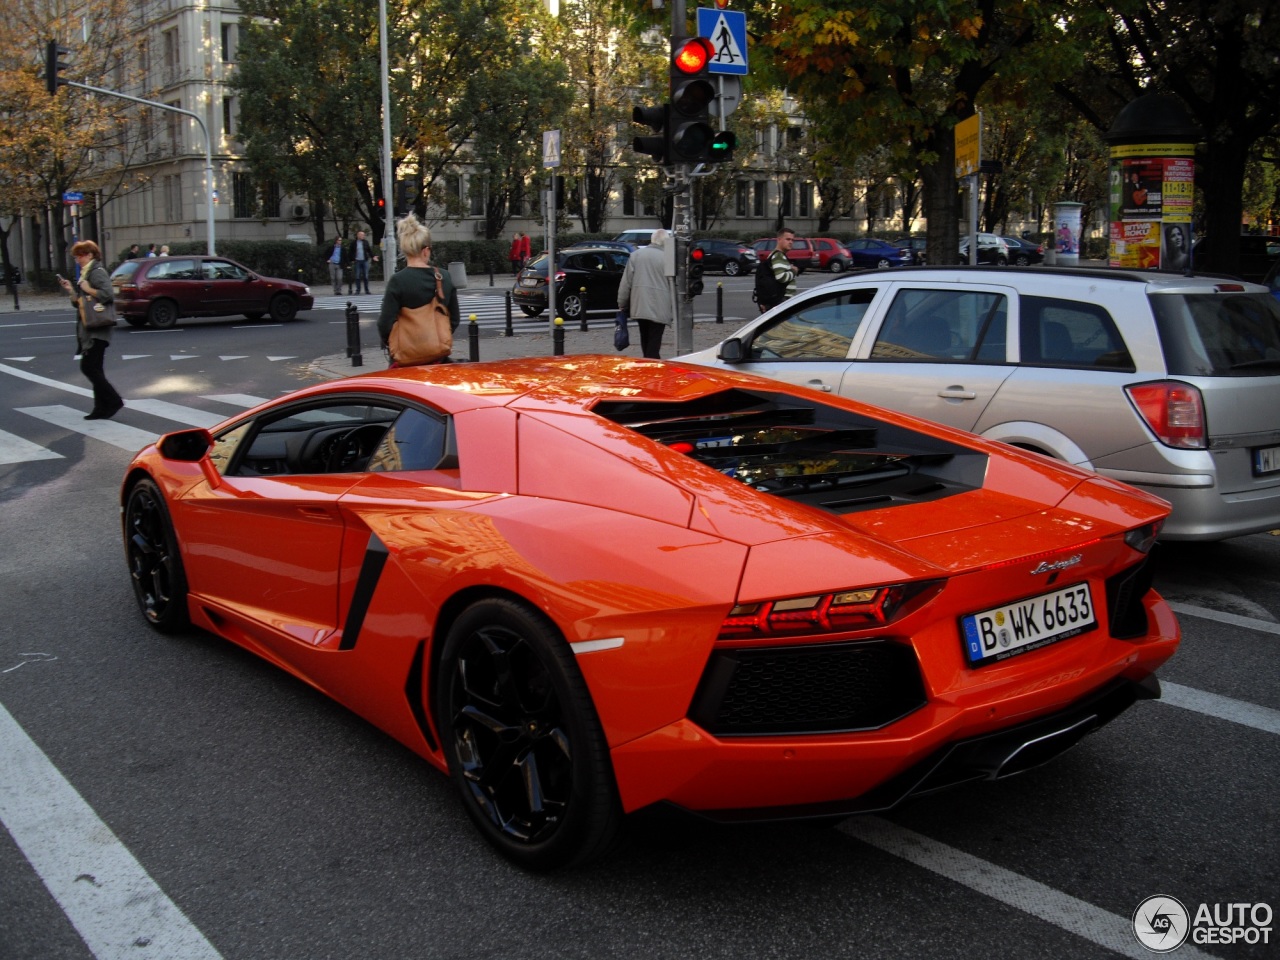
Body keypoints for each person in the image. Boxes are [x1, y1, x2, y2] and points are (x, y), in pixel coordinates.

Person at [377, 213, 461, 366]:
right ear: (426, 251)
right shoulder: (444, 277)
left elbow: (384, 323)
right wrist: (435, 338)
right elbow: (454, 319)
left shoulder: (398, 281)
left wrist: (397, 342)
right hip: (438, 359)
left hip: (405, 361)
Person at [59, 240, 124, 420]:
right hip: (91, 328)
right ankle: (100, 408)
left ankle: (113, 400)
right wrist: (72, 291)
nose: (77, 259)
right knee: (95, 369)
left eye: (80, 255)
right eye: (76, 256)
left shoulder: (96, 272)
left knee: (88, 367)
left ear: (90, 255)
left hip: (98, 329)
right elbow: (80, 304)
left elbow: (108, 294)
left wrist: (88, 289)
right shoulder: (86, 274)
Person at [617, 228, 674, 359]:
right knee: (655, 340)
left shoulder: (636, 255)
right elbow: (674, 285)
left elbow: (626, 282)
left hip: (640, 304)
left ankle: (647, 364)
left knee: (645, 337)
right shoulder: (669, 259)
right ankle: (652, 367)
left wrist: (622, 303)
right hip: (661, 306)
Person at [755, 225, 797, 312]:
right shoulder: (778, 256)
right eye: (788, 239)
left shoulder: (778, 255)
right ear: (779, 239)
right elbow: (781, 277)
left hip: (780, 300)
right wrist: (793, 271)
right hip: (782, 300)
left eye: (792, 240)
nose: (791, 242)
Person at [346, 230, 378, 295]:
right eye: (361, 235)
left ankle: (367, 290)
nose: (363, 236)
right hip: (357, 261)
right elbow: (350, 252)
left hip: (364, 260)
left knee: (366, 276)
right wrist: (351, 260)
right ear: (358, 235)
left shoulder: (366, 242)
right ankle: (358, 290)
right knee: (357, 276)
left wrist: (373, 256)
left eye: (363, 235)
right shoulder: (354, 243)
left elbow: (369, 250)